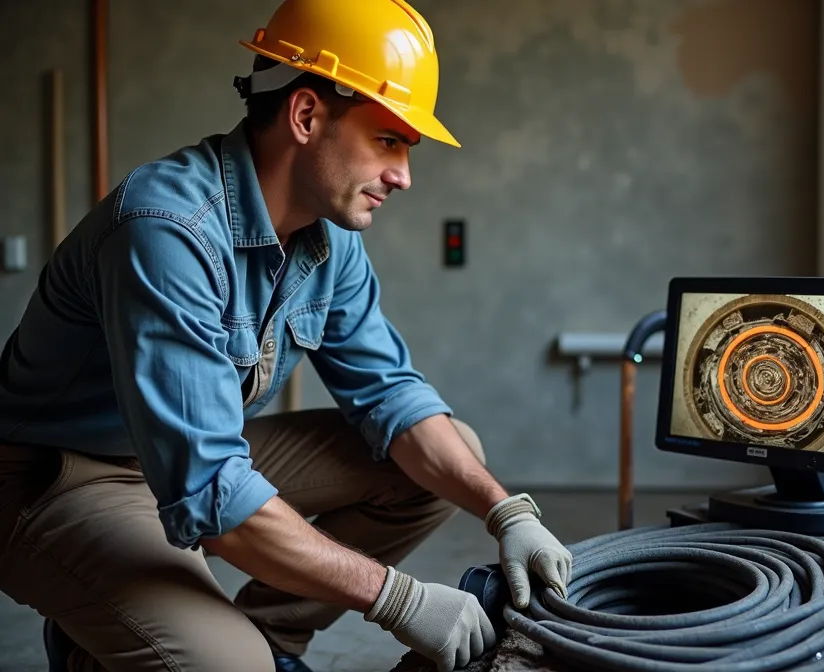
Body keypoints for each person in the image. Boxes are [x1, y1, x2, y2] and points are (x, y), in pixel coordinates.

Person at [0, 1, 572, 671]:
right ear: (305, 116)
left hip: (182, 459)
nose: (404, 176)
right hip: (59, 481)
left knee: (448, 459)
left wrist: (508, 512)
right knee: (227, 666)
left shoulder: (327, 236)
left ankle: (268, 638)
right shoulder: (167, 230)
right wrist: (398, 599)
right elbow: (213, 493)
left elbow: (390, 394)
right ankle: (104, 645)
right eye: (388, 140)